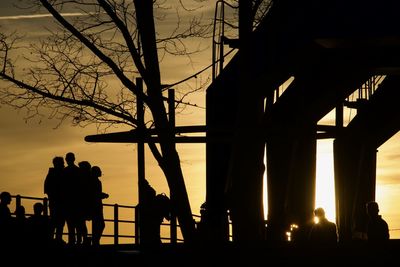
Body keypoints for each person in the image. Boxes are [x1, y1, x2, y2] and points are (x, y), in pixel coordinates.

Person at [44, 156, 66, 244]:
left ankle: (55, 238)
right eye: (62, 163)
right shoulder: (58, 174)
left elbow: (46, 189)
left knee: (56, 221)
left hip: (55, 201)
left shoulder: (51, 174)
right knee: (58, 222)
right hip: (58, 202)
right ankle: (56, 238)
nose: (63, 164)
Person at [63, 152, 82, 245]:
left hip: (68, 201)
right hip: (77, 201)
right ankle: (78, 240)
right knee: (77, 223)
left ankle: (72, 241)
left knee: (71, 224)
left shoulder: (64, 171)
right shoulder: (78, 171)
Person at [89, 166, 109, 246]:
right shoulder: (96, 182)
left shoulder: (93, 181)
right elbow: (95, 194)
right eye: (99, 171)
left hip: (96, 205)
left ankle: (95, 241)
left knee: (97, 224)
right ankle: (95, 241)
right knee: (100, 224)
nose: (101, 172)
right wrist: (103, 195)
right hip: (96, 206)